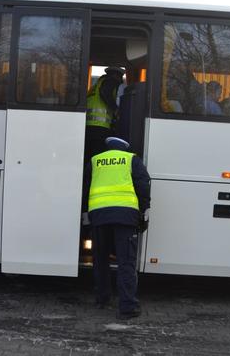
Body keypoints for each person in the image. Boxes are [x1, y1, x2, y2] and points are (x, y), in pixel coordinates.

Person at [83, 136, 151, 320]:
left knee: (101, 260)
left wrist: (86, 213)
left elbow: (85, 187)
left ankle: (102, 299)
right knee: (125, 262)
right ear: (124, 148)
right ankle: (127, 307)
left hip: (99, 215)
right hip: (125, 216)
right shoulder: (131, 159)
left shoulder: (95, 161)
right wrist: (143, 211)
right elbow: (143, 185)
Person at [84, 66, 125, 163]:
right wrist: (115, 109)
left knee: (89, 156)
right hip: (100, 127)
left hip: (89, 126)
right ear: (115, 76)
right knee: (98, 156)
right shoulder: (110, 81)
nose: (121, 81)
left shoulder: (95, 86)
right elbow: (105, 93)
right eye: (120, 78)